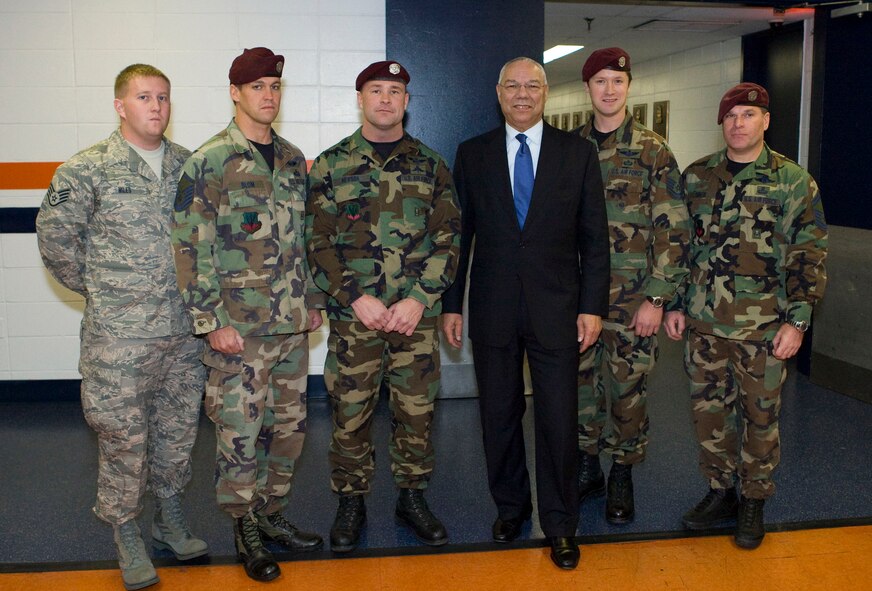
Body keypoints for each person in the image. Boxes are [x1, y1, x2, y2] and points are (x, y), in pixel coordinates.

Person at [36, 63, 207, 591]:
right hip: (120, 338)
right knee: (123, 440)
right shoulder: (86, 170)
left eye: (163, 98)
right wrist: (106, 293)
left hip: (183, 334)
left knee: (178, 433)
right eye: (143, 98)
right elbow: (56, 243)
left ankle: (169, 518)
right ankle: (126, 531)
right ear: (120, 105)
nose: (156, 107)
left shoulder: (190, 166)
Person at [442, 56, 609, 570]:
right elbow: (459, 238)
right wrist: (452, 305)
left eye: (531, 86)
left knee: (559, 419)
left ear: (546, 93)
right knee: (499, 415)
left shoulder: (577, 154)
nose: (521, 94)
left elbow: (594, 240)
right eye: (512, 86)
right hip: (491, 309)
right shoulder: (472, 155)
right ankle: (511, 508)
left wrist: (592, 308)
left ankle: (560, 524)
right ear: (498, 93)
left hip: (558, 310)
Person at [171, 47, 323, 583]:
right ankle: (244, 527)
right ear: (235, 92)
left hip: (290, 324)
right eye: (258, 86)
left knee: (290, 429)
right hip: (239, 330)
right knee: (239, 432)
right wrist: (213, 324)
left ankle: (271, 511)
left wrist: (314, 301)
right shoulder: (208, 161)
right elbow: (191, 250)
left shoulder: (291, 157)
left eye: (275, 87)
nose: (268, 96)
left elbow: (303, 241)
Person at [664, 83, 827, 550]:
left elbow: (809, 254)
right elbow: (681, 248)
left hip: (766, 329)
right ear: (722, 122)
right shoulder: (697, 177)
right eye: (731, 114)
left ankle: (753, 499)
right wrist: (674, 303)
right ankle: (720, 493)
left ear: (766, 121)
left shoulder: (794, 181)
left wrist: (797, 322)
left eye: (749, 114)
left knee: (759, 417)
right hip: (703, 326)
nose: (739, 122)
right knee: (709, 415)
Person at [306, 60, 461, 553]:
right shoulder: (331, 165)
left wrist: (419, 299)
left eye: (395, 91)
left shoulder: (431, 165)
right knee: (350, 415)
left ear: (407, 102)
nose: (386, 99)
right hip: (357, 321)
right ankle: (351, 501)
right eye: (377, 90)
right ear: (360, 98)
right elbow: (317, 243)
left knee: (416, 414)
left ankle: (411, 497)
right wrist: (355, 298)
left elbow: (449, 239)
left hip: (415, 321)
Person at [573, 48, 690, 524]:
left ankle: (621, 470)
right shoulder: (568, 147)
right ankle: (587, 464)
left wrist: (658, 299)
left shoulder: (652, 150)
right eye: (600, 81)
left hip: (633, 299)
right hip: (578, 297)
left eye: (617, 82)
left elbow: (675, 229)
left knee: (628, 390)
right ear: (588, 88)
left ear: (628, 88)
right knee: (579, 385)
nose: (609, 90)